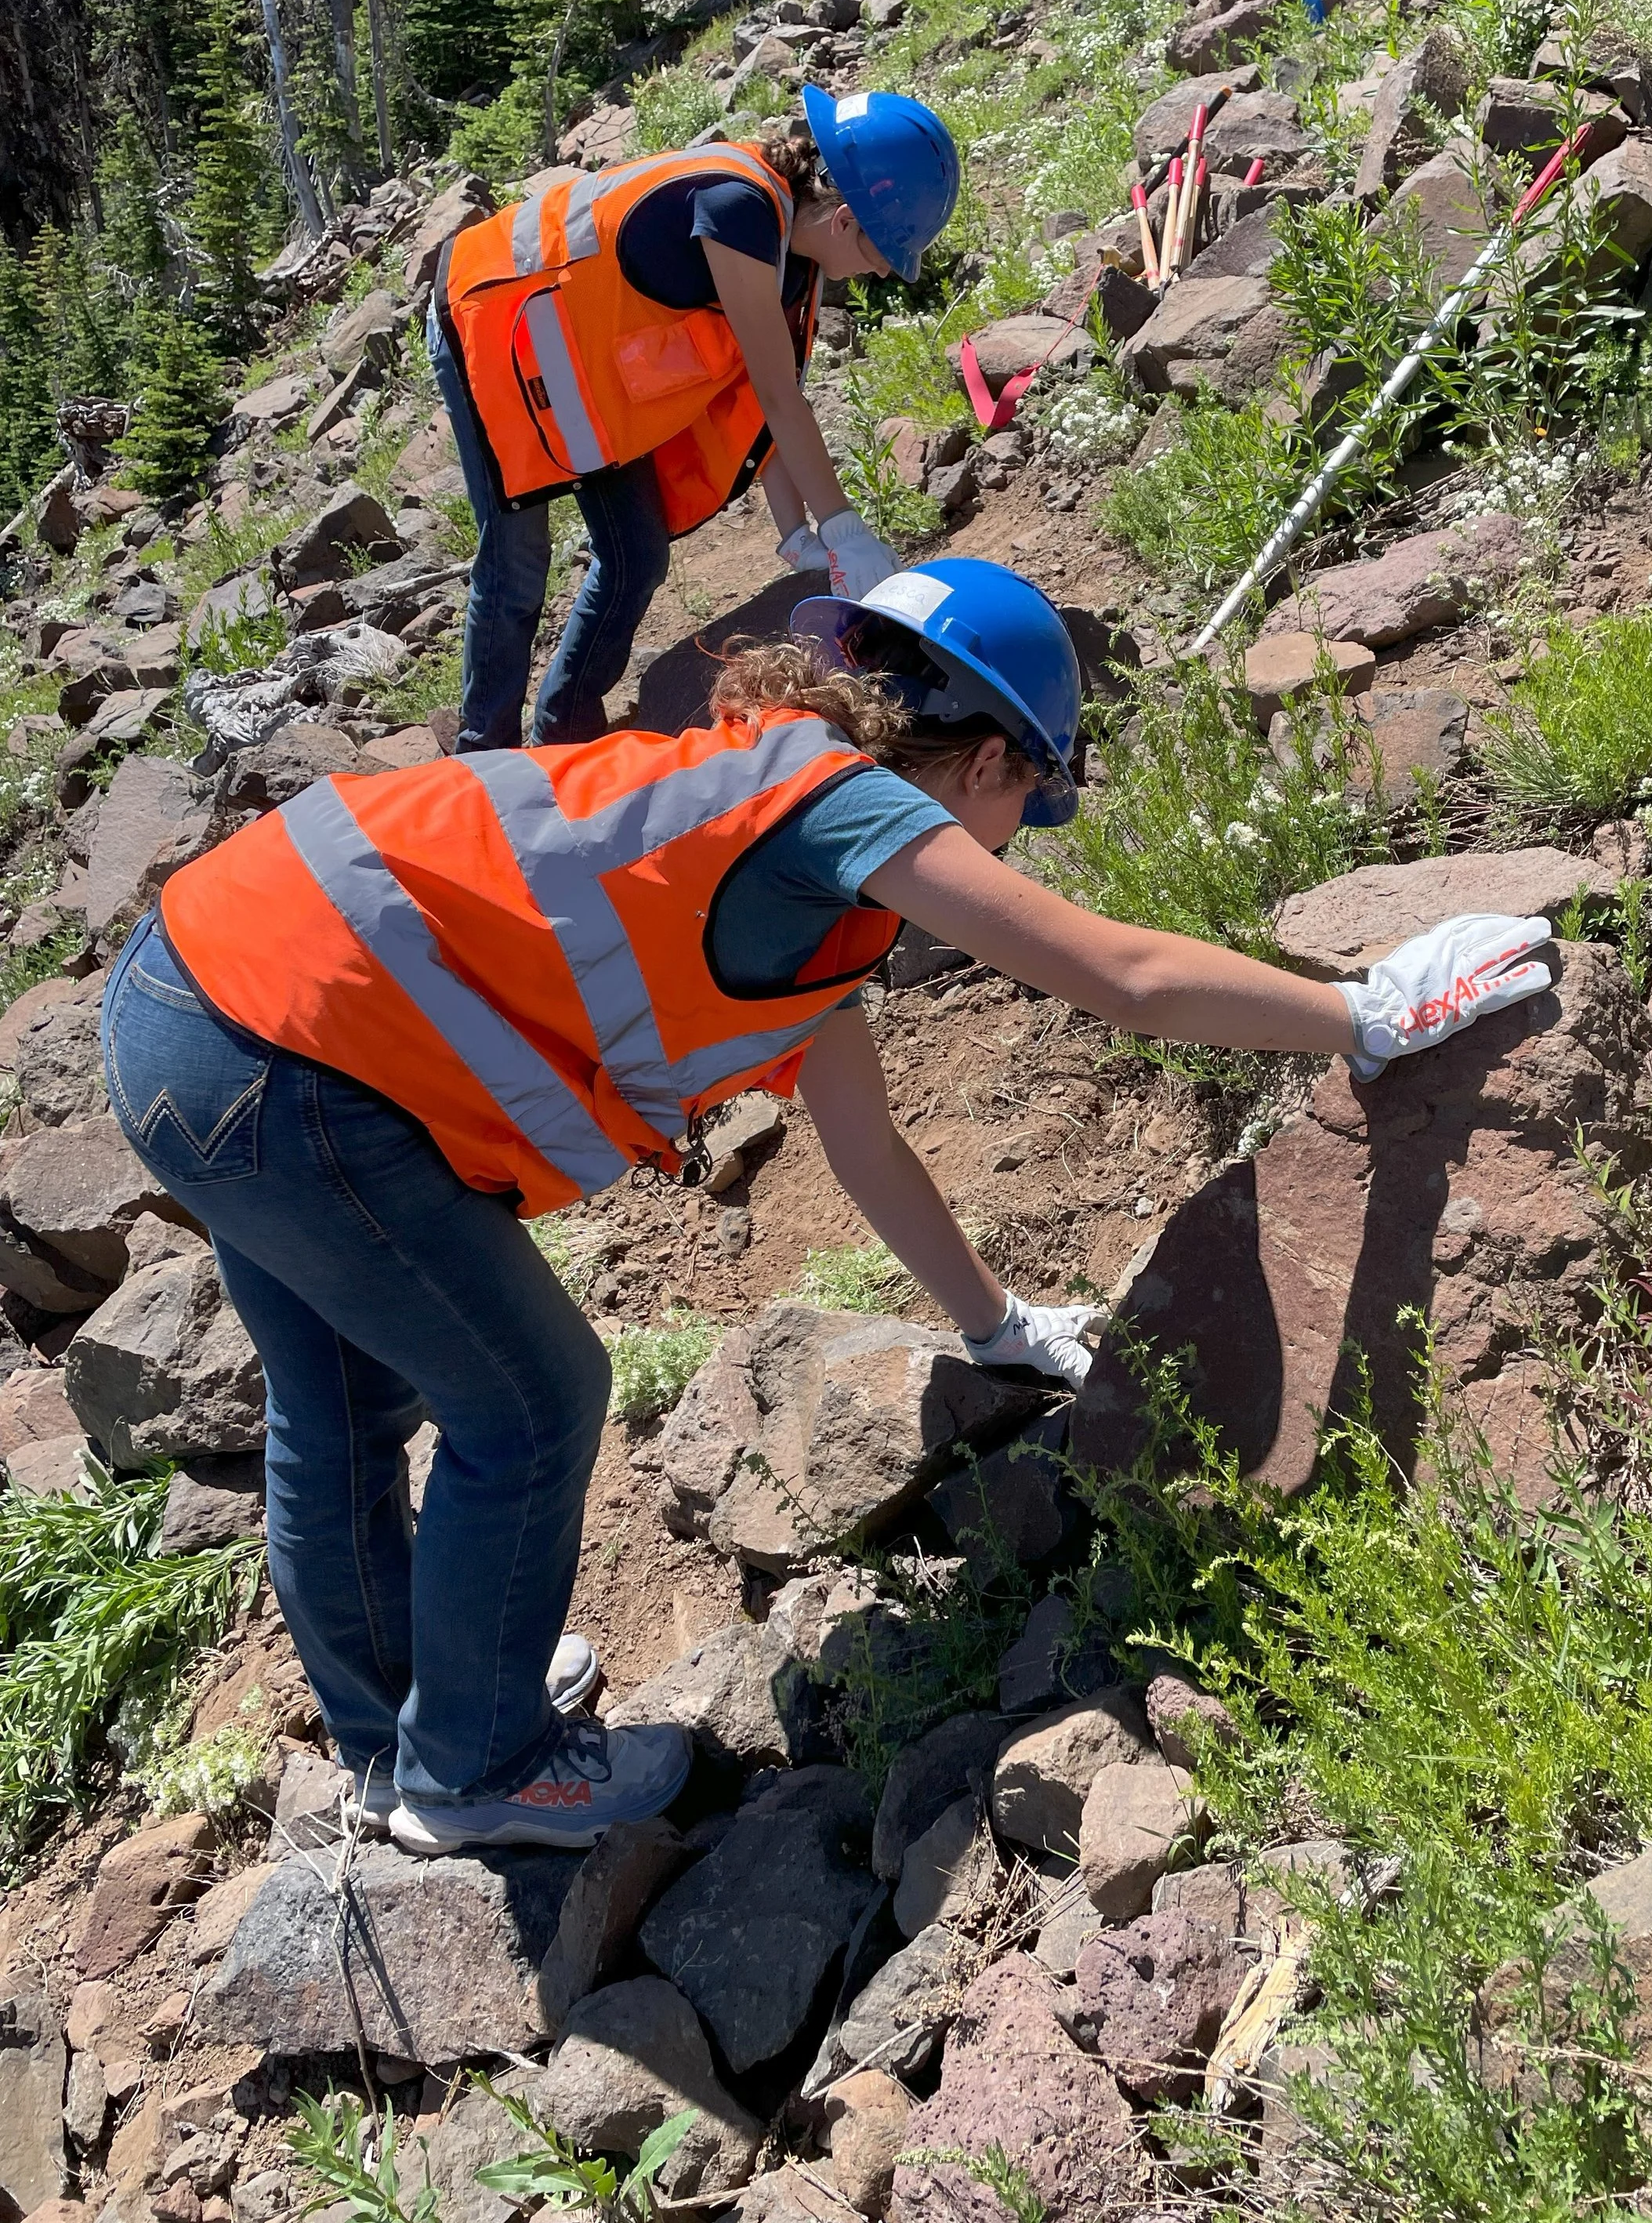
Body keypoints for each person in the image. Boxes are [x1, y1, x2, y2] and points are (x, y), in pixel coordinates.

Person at [100, 558, 1553, 1856]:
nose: (1009, 847)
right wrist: (1362, 1013)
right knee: (535, 1398)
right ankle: (477, 1765)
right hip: (277, 1050)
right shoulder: (831, 806)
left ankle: (405, 1737)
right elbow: (1122, 974)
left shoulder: (780, 864)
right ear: (987, 757)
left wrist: (995, 1325)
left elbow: (866, 1143)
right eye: (1020, 809)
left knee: (341, 1407)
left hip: (196, 994)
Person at [429, 84, 961, 751]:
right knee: (516, 561)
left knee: (636, 556)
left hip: (579, 371)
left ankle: (562, 737)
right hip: (492, 325)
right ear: (846, 219)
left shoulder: (793, 257)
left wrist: (797, 530)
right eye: (881, 261)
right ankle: (485, 755)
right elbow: (778, 396)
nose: (874, 276)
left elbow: (763, 404)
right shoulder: (739, 211)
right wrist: (844, 527)